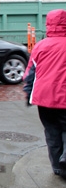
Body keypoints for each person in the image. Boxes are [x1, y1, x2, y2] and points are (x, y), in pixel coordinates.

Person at [23, 9, 66, 179]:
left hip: (43, 98)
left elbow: (29, 74)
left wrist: (28, 93)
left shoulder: (41, 45)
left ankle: (57, 166)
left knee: (51, 131)